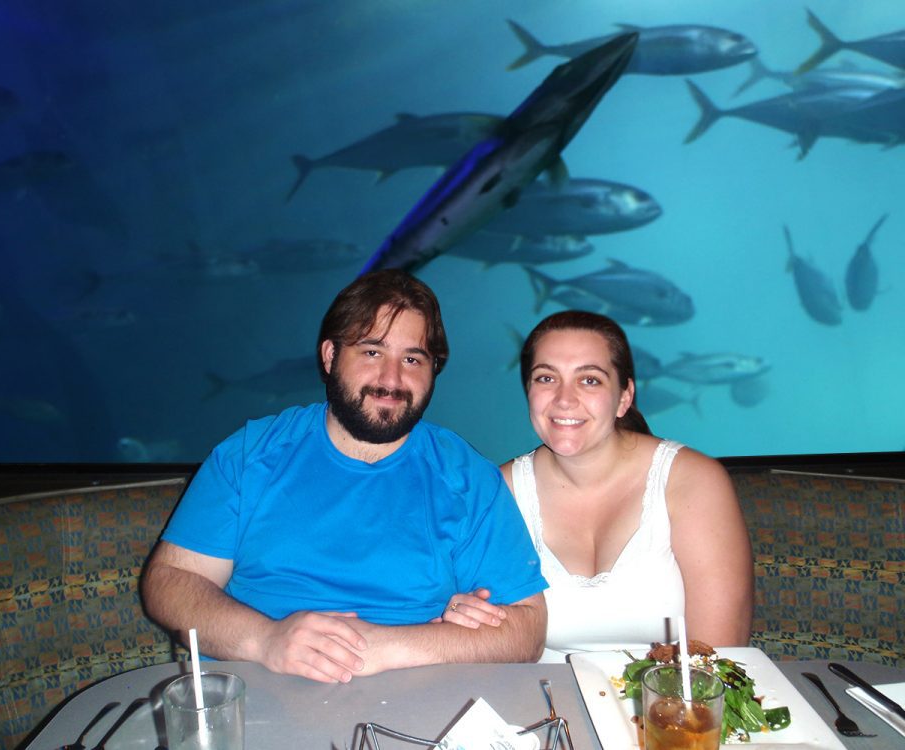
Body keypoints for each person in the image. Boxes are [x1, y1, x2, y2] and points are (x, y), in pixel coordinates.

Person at [141, 270, 547, 683]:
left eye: (412, 359)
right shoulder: (250, 455)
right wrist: (266, 640)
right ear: (330, 356)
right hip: (252, 692)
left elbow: (527, 631)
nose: (392, 379)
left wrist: (388, 646)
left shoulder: (467, 479)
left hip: (413, 703)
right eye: (372, 352)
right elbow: (171, 582)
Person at [442, 311, 753, 662]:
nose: (564, 399)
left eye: (589, 380)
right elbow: (470, 630)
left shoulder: (693, 482)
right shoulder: (498, 493)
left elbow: (719, 659)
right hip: (538, 708)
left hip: (671, 709)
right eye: (546, 378)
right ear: (528, 392)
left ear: (624, 397)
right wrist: (454, 613)